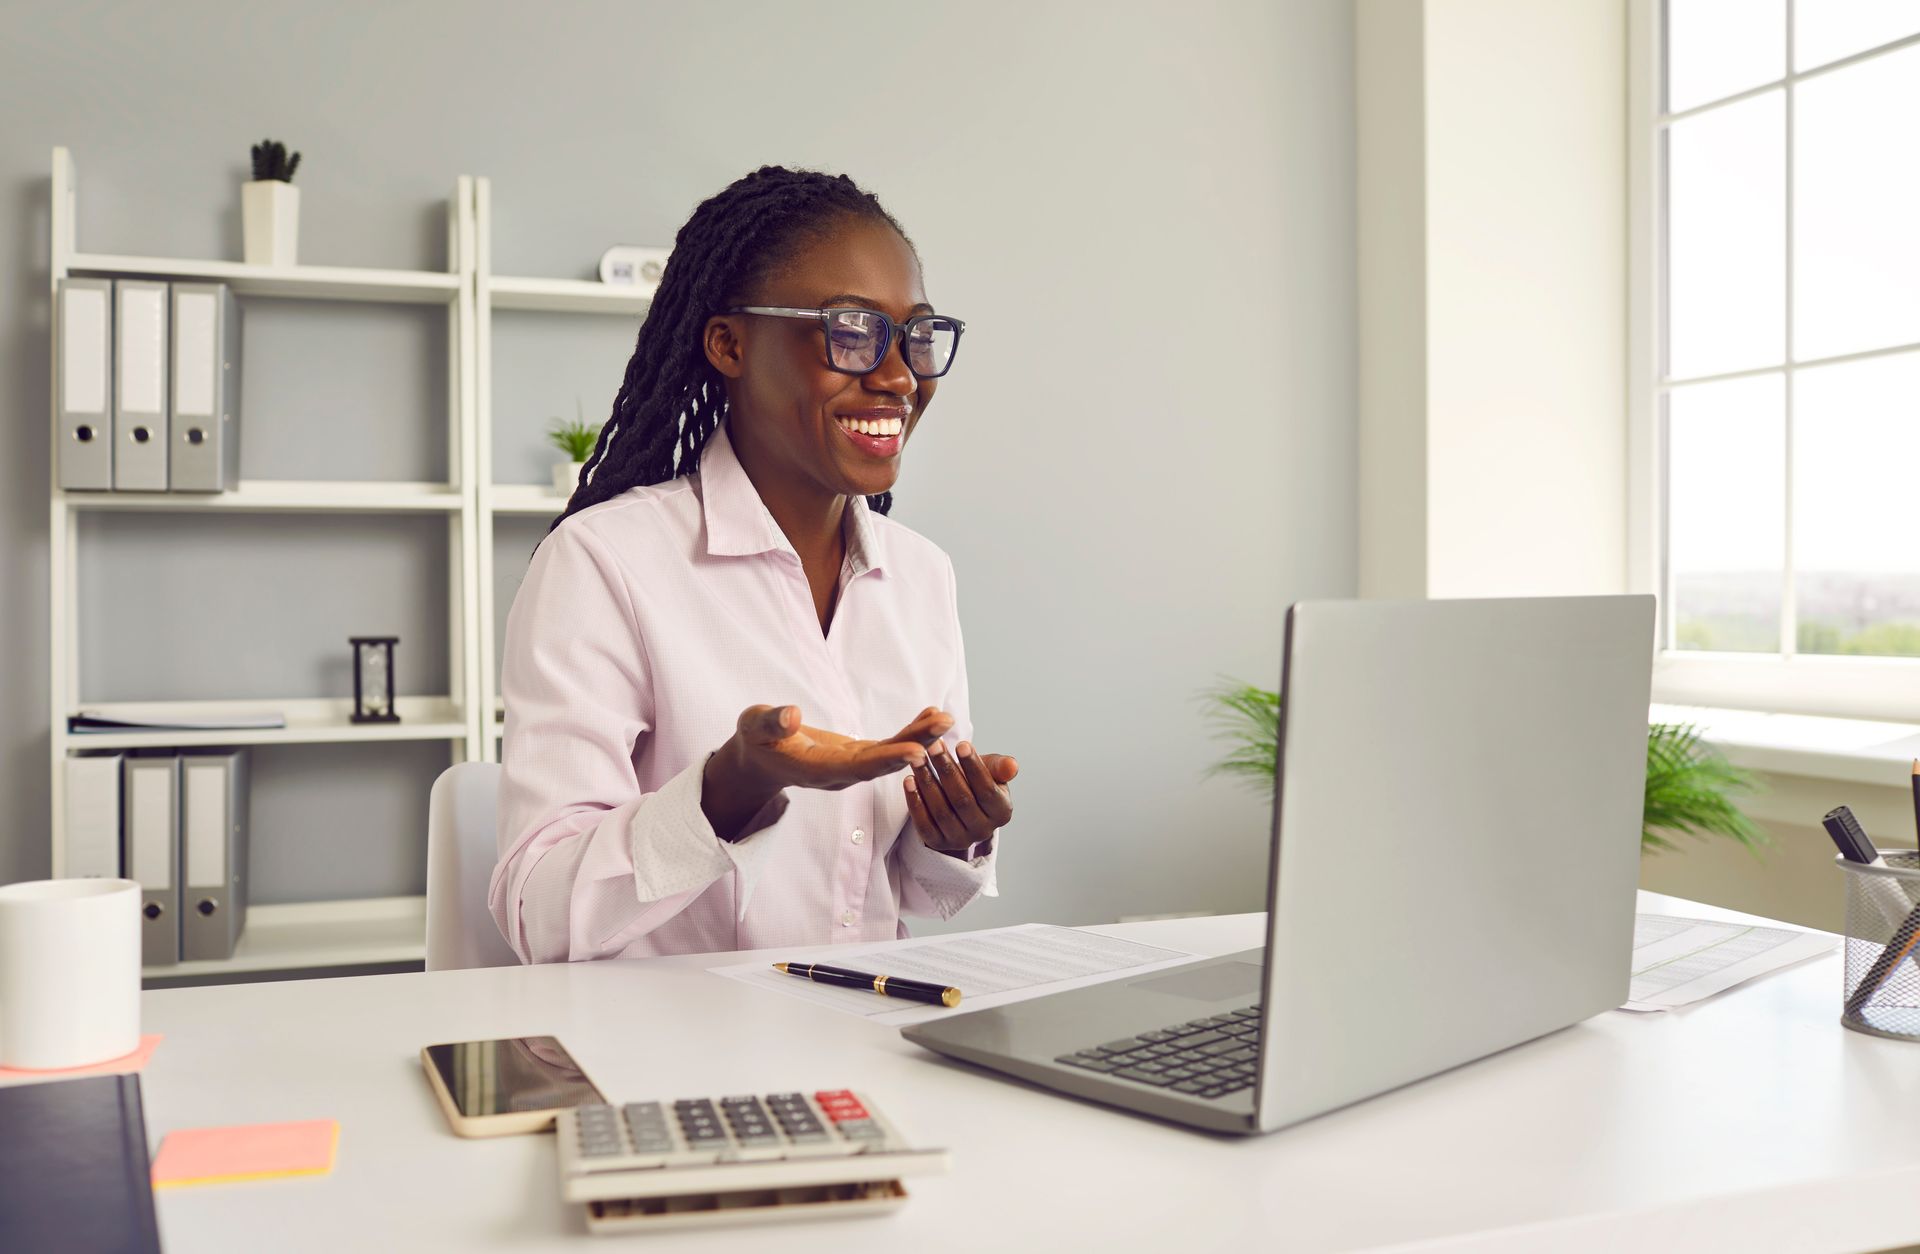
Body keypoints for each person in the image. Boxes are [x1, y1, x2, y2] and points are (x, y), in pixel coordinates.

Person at [490, 166, 1019, 963]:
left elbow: (913, 895)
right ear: (730, 344)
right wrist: (728, 789)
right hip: (668, 1059)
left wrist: (950, 836)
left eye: (913, 336)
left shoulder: (920, 577)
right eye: (850, 331)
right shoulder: (604, 563)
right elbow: (539, 915)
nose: (899, 377)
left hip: (861, 1040)